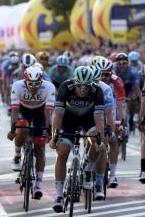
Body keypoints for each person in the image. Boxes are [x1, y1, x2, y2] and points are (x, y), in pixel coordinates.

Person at [49, 66, 106, 212]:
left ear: (91, 84)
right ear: (74, 82)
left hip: (89, 118)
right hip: (68, 119)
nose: (83, 89)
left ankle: (88, 169)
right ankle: (59, 195)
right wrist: (54, 136)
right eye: (79, 85)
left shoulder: (97, 90)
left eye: (86, 86)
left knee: (97, 141)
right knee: (62, 151)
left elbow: (99, 118)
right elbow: (58, 115)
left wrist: (100, 139)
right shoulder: (65, 87)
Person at [7, 66, 55, 200]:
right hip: (23, 110)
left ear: (42, 81)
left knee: (40, 146)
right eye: (30, 83)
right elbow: (15, 109)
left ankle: (38, 184)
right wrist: (12, 128)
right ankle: (17, 154)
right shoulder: (17, 86)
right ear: (25, 80)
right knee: (21, 127)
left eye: (37, 83)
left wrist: (47, 130)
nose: (34, 87)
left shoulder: (49, 86)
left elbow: (48, 112)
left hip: (40, 112)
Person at [96, 57, 126, 188]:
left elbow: (120, 105)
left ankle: (112, 175)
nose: (103, 77)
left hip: (110, 109)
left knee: (114, 140)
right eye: (101, 74)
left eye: (107, 74)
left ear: (111, 73)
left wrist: (122, 122)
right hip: (94, 111)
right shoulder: (92, 82)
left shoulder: (117, 82)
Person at [114, 52, 141, 132]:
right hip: (116, 88)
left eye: (124, 63)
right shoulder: (113, 70)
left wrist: (139, 99)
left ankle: (131, 119)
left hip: (128, 89)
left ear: (128, 63)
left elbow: (136, 87)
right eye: (119, 63)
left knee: (133, 99)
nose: (122, 65)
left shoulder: (133, 71)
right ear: (116, 63)